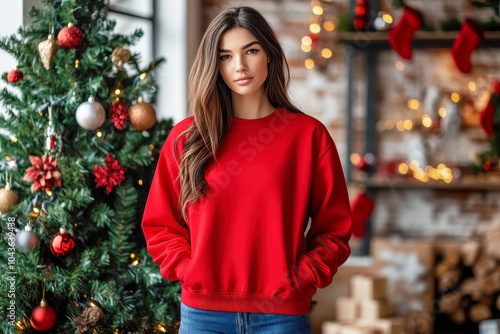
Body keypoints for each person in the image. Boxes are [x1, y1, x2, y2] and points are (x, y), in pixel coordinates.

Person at [141, 6, 352, 334]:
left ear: (269, 55)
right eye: (225, 56)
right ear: (215, 64)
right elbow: (160, 224)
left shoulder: (308, 136)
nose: (239, 66)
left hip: (281, 316)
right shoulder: (187, 138)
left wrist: (302, 277)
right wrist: (190, 270)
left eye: (250, 51)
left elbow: (334, 228)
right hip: (203, 316)